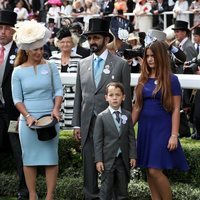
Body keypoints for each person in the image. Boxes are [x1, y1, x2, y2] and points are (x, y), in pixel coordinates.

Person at [72, 17, 132, 200]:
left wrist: (125, 127)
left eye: (96, 38)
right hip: (88, 124)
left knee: (112, 168)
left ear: (106, 39)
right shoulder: (82, 64)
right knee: (89, 169)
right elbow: (79, 96)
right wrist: (76, 124)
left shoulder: (121, 64)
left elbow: (126, 101)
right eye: (90, 38)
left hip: (112, 127)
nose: (92, 42)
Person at [11, 20, 63, 200]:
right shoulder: (17, 72)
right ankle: (32, 195)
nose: (39, 52)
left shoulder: (51, 66)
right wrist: (27, 116)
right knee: (29, 159)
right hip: (28, 122)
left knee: (51, 159)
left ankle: (50, 196)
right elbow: (17, 99)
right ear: (27, 50)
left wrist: (56, 109)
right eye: (35, 49)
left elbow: (58, 91)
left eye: (41, 48)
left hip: (50, 118)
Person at [132, 40, 189, 200]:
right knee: (148, 169)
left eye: (153, 56)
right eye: (148, 56)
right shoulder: (142, 79)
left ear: (161, 57)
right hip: (145, 129)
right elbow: (137, 107)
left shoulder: (172, 79)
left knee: (154, 170)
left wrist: (174, 135)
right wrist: (127, 128)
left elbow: (177, 108)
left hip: (162, 129)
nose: (150, 59)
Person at [0, 10, 29, 200]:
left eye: (6, 29)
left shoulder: (21, 51)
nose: (2, 32)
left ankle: (23, 190)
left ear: (13, 31)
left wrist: (23, 113)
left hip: (13, 111)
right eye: (0, 28)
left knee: (20, 152)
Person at [93, 82, 137, 200]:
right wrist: (98, 160)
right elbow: (97, 140)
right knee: (106, 190)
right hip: (107, 160)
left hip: (122, 160)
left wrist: (132, 155)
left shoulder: (127, 115)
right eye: (111, 95)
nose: (114, 97)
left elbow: (131, 137)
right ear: (106, 97)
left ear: (123, 97)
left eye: (117, 95)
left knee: (123, 190)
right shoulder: (101, 117)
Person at [49, 27, 82, 129]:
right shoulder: (51, 60)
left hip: (74, 99)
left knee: (72, 128)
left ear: (73, 43)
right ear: (58, 43)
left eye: (68, 42)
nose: (65, 44)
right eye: (62, 42)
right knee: (55, 126)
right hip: (55, 100)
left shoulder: (80, 59)